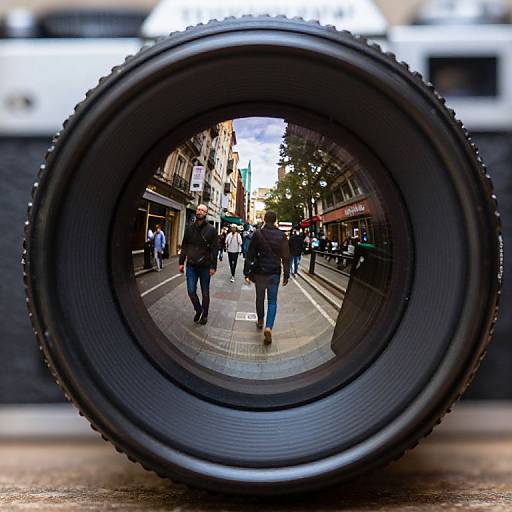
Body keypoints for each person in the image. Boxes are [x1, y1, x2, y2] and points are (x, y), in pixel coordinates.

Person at [244, 211, 290, 345]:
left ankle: (260, 320)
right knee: (272, 301)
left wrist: (246, 272)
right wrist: (286, 275)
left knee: (259, 298)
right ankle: (269, 327)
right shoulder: (282, 236)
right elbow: (286, 257)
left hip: (260, 272)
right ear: (275, 220)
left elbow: (250, 254)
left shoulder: (258, 234)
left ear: (264, 219)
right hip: (274, 272)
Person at [178, 204, 218, 325]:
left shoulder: (211, 230)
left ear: (206, 214)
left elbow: (214, 249)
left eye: (202, 210)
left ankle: (204, 315)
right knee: (191, 291)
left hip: (205, 266)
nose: (199, 211)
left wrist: (213, 266)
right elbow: (185, 245)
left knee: (205, 291)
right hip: (191, 265)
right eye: (198, 209)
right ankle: (198, 309)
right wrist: (181, 262)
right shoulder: (190, 228)